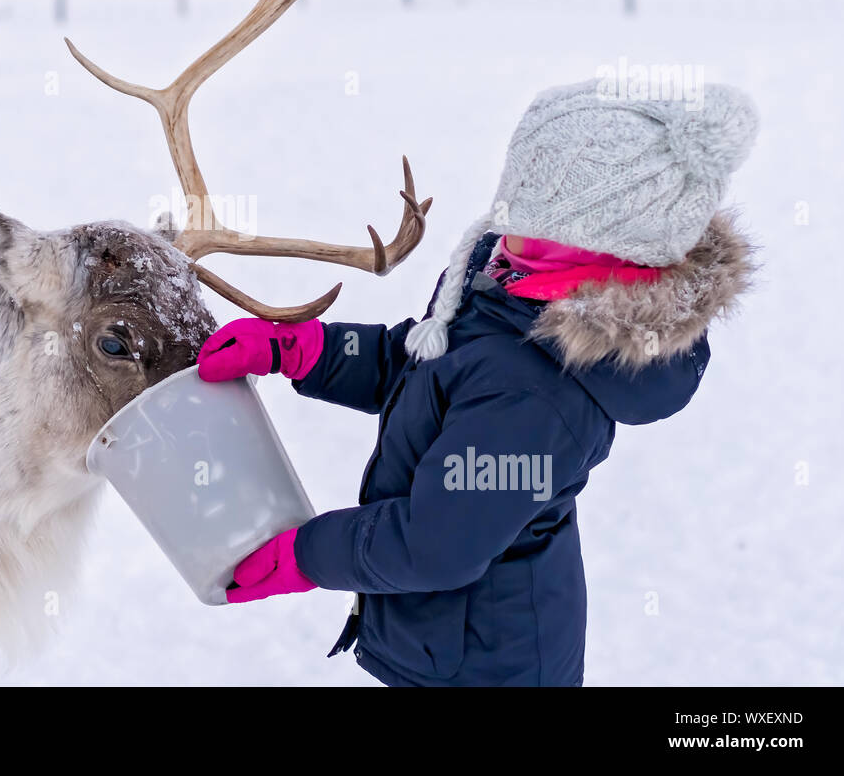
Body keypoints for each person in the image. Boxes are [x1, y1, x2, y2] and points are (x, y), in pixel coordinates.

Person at [199, 78, 759, 687]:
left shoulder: (537, 397)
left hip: (489, 666)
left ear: (588, 235)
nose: (504, 211)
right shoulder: (510, 276)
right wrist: (307, 351)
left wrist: (305, 554)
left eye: (531, 199)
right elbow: (425, 365)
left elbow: (435, 544)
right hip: (444, 644)